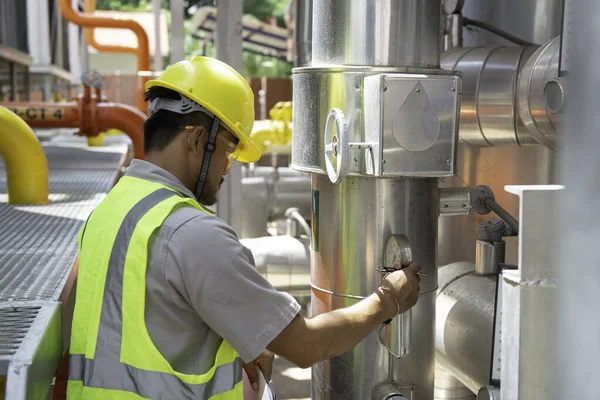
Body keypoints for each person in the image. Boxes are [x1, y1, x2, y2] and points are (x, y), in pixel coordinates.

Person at [66, 56, 421, 399]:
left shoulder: (112, 208)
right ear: (196, 139)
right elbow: (306, 345)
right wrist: (386, 301)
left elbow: (136, 322)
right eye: (228, 151)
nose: (226, 168)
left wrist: (239, 338)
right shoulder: (192, 232)